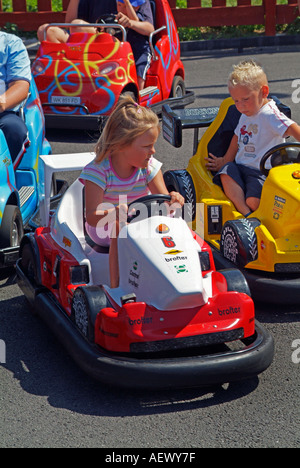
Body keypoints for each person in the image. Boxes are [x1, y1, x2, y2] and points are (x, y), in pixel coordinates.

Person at [79, 94, 184, 288]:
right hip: (103, 228)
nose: (153, 151)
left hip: (139, 221)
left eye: (153, 145)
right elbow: (92, 217)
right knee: (120, 227)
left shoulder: (149, 167)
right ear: (121, 145)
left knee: (175, 223)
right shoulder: (99, 171)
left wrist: (174, 200)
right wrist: (115, 212)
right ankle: (117, 287)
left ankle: (181, 281)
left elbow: (164, 203)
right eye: (147, 146)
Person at [205, 59, 300, 217]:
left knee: (253, 201)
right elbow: (237, 137)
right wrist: (225, 160)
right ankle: (245, 213)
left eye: (245, 99)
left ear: (264, 92)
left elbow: (292, 127)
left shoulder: (270, 114)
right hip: (241, 166)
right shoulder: (246, 114)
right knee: (225, 173)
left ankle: (250, 209)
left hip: (261, 171)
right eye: (236, 101)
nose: (241, 106)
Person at [0, 32, 31, 168]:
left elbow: (20, 86)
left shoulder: (10, 44)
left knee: (14, 130)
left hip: (3, 111)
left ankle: (4, 174)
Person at [37, 0, 117, 43]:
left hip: (114, 38)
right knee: (44, 31)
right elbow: (69, 24)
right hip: (88, 38)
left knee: (78, 26)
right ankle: (66, 65)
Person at [116, 0, 154, 90]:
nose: (122, 9)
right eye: (119, 5)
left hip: (139, 51)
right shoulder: (115, 14)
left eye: (125, 6)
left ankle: (138, 96)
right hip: (119, 52)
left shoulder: (140, 11)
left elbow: (150, 29)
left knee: (139, 69)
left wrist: (130, 23)